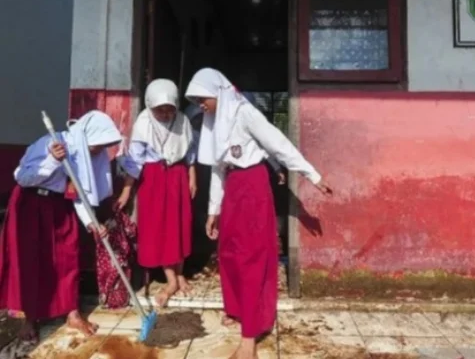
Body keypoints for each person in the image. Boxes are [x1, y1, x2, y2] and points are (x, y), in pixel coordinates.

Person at [185, 68, 332, 359]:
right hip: (233, 190)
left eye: (203, 98)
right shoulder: (215, 122)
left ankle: (250, 335)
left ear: (218, 93)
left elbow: (279, 144)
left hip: (252, 186)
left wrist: (312, 175)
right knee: (228, 252)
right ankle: (236, 308)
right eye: (197, 100)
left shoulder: (245, 113)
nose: (200, 105)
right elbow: (217, 168)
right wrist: (213, 211)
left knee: (251, 256)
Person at [0, 110, 122, 342]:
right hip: (30, 204)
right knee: (32, 262)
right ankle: (30, 320)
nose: (99, 151)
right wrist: (53, 160)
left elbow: (80, 193)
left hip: (59, 206)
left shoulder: (89, 156)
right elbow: (23, 177)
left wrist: (90, 223)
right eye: (98, 145)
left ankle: (72, 313)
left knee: (69, 257)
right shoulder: (51, 143)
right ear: (88, 137)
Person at [116, 79, 196, 307]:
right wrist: (126, 191)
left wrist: (192, 178)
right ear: (150, 105)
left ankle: (179, 274)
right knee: (161, 226)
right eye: (159, 109)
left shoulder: (183, 120)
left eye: (169, 108)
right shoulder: (143, 122)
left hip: (178, 175)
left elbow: (190, 153)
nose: (165, 113)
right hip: (153, 179)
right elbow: (134, 163)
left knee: (180, 224)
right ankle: (170, 280)